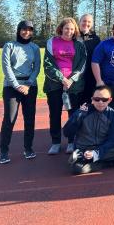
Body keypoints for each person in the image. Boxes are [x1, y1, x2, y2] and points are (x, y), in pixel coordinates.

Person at [0, 20, 41, 164]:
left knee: (29, 119)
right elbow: (6, 68)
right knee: (9, 119)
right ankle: (4, 151)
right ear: (18, 30)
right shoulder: (9, 45)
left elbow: (36, 68)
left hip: (30, 87)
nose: (26, 32)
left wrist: (28, 84)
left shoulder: (35, 48)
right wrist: (17, 85)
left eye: (30, 30)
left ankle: (28, 148)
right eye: (24, 29)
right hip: (11, 87)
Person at [44, 18, 87, 155]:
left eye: (72, 29)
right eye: (66, 28)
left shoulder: (79, 45)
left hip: (73, 86)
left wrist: (71, 80)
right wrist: (61, 78)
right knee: (55, 114)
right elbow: (48, 65)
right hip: (55, 85)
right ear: (61, 28)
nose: (69, 31)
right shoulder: (51, 42)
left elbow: (82, 65)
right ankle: (55, 143)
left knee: (73, 115)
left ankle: (71, 142)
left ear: (75, 31)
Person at [63, 85, 114, 174]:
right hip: (84, 148)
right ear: (92, 99)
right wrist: (78, 116)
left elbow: (112, 139)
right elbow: (66, 132)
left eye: (104, 99)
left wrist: (96, 153)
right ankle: (112, 162)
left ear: (109, 100)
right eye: (97, 99)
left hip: (102, 147)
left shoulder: (112, 114)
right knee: (77, 169)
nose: (100, 102)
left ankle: (84, 158)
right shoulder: (83, 111)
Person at [77, 14, 101, 104]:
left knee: (87, 104)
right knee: (74, 107)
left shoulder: (96, 39)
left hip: (90, 77)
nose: (86, 23)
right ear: (79, 22)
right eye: (84, 21)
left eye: (89, 22)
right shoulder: (73, 36)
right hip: (75, 77)